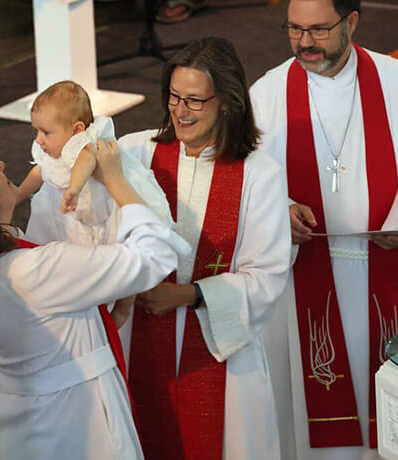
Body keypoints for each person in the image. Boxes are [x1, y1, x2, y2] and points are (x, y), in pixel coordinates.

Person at [0, 141, 190, 460]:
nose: (1, 164)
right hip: (77, 419)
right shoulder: (33, 269)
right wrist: (116, 179)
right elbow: (154, 255)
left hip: (13, 418)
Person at [250, 0, 398, 458]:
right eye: (294, 29)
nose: (304, 42)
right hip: (305, 278)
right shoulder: (267, 95)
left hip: (389, 268)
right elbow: (248, 175)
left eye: (318, 29)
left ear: (352, 22)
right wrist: (279, 209)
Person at [117, 37, 292, 459]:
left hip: (222, 353)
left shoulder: (259, 175)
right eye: (174, 96)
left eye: (195, 100)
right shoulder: (137, 151)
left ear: (228, 102)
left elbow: (267, 276)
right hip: (137, 334)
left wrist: (189, 295)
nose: (180, 110)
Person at [19, 80, 173, 246]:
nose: (38, 139)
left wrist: (74, 187)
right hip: (72, 205)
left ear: (77, 130)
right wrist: (19, 193)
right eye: (37, 130)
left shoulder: (85, 141)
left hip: (104, 199)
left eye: (46, 132)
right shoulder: (52, 145)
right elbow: (42, 170)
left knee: (107, 237)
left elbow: (87, 159)